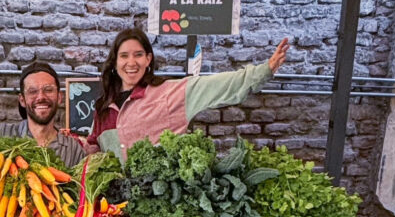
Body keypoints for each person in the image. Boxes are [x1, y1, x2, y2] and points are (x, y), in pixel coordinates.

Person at [87, 29, 290, 160]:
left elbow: (218, 86)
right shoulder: (104, 107)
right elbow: (94, 149)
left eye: (138, 55)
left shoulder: (169, 94)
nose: (131, 63)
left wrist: (264, 71)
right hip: (113, 212)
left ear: (148, 59)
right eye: (124, 56)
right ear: (115, 62)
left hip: (159, 204)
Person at [0, 61, 95, 166]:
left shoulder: (73, 149)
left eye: (48, 90)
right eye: (32, 91)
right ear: (22, 99)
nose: (41, 97)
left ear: (60, 97)